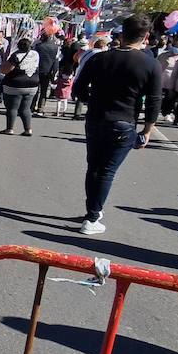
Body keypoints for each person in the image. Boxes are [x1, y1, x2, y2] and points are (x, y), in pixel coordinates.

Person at [72, 14, 161, 236]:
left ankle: (93, 209)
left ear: (121, 34)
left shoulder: (99, 59)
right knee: (106, 171)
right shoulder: (150, 64)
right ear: (146, 37)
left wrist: (91, 100)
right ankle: (92, 216)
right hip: (123, 121)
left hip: (96, 119)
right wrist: (148, 130)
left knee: (94, 166)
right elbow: (154, 100)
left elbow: (78, 89)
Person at [0, 38, 40, 136]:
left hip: (15, 85)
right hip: (33, 84)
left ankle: (10, 129)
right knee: (26, 108)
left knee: (12, 108)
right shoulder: (36, 54)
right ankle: (28, 129)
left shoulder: (16, 55)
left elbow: (6, 70)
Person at [32, 30, 61, 116]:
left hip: (37, 70)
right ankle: (41, 108)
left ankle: (32, 106)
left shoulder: (38, 46)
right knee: (44, 91)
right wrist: (54, 73)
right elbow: (56, 62)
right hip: (47, 71)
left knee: (35, 90)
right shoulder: (56, 48)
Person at [157, 39, 178, 122]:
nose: (177, 48)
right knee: (159, 97)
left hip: (175, 81)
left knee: (170, 98)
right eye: (175, 46)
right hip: (163, 79)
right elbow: (158, 65)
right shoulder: (164, 55)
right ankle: (157, 111)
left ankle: (167, 113)